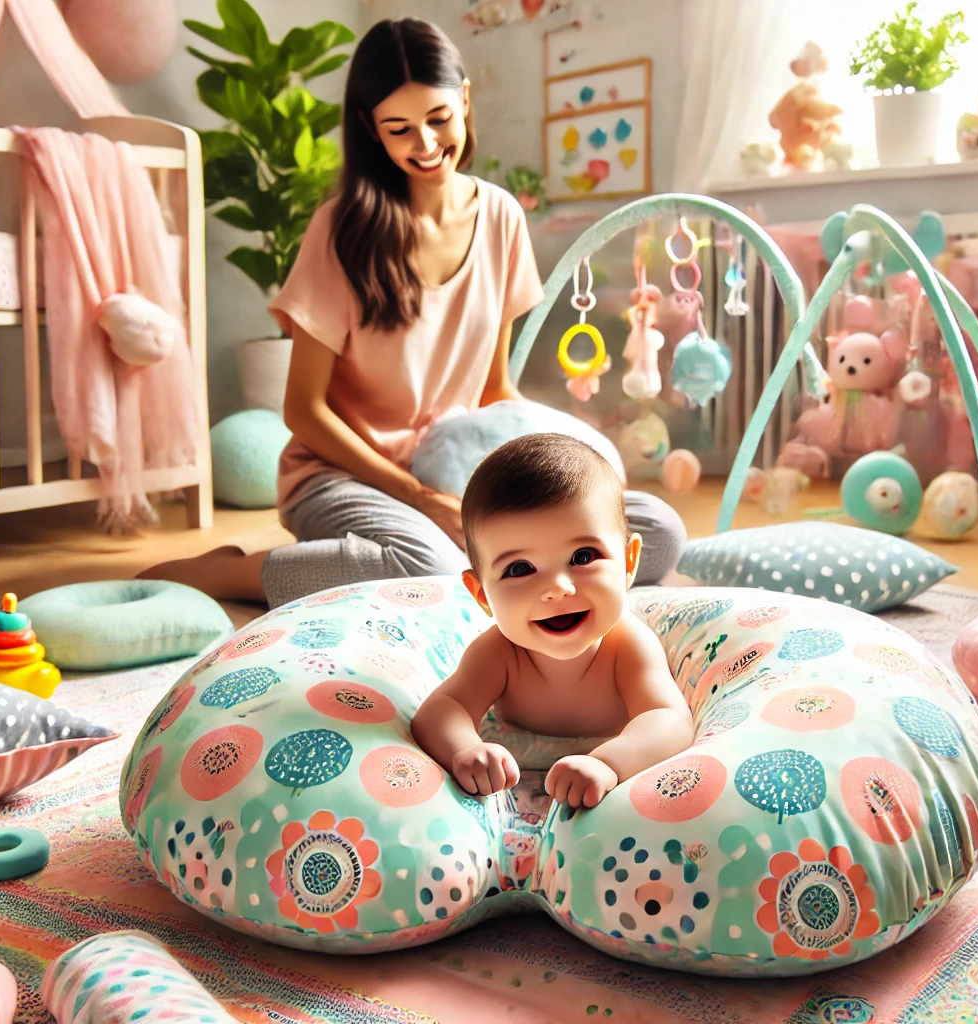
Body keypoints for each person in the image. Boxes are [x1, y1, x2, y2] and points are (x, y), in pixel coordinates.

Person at [142, 18, 685, 606]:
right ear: (370, 130)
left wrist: (570, 460)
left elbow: (494, 390)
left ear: (465, 101)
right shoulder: (342, 229)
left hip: (456, 469)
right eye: (399, 128)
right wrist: (416, 494)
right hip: (343, 474)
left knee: (650, 529)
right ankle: (231, 573)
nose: (425, 144)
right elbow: (303, 410)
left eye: (439, 119)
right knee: (431, 568)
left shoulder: (500, 217)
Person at [411, 434, 694, 809]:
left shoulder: (627, 645)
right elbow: (442, 710)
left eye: (582, 556)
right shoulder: (499, 652)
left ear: (628, 563)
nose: (558, 588)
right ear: (482, 595)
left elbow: (669, 720)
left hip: (608, 767)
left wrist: (608, 764)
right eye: (520, 568)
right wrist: (466, 749)